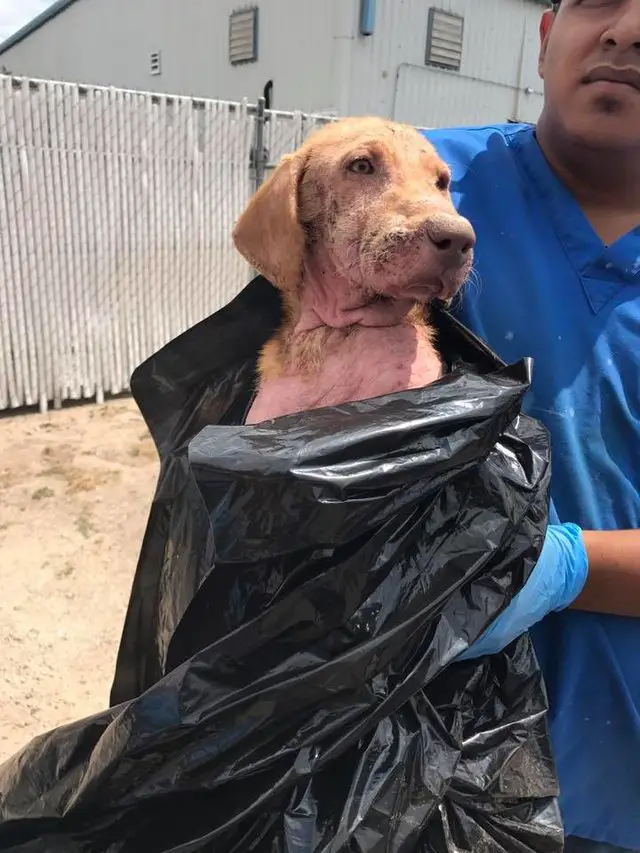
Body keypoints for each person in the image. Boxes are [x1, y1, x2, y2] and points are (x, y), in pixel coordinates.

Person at [421, 1, 640, 851]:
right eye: (596, 0)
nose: (625, 31)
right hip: (417, 763)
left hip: (615, 789)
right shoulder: (423, 196)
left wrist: (559, 568)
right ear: (546, 37)